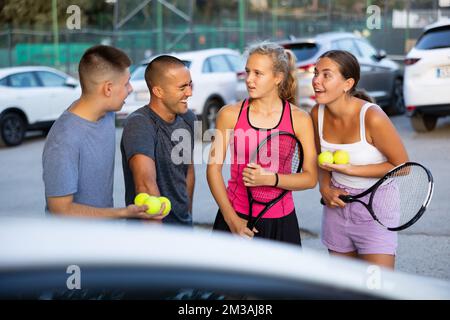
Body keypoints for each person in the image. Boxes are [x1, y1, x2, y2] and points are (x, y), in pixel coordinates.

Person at [207, 42, 317, 245]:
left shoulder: (299, 119)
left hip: (281, 221)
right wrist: (232, 220)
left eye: (258, 73)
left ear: (278, 77)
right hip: (234, 216)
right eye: (248, 71)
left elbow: (310, 179)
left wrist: (270, 179)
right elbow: (213, 170)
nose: (249, 79)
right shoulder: (229, 115)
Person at [311, 50, 409, 269]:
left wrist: (350, 169)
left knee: (376, 287)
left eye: (326, 75)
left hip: (376, 208)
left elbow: (402, 167)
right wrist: (325, 188)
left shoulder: (372, 116)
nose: (316, 80)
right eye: (315, 73)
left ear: (348, 83)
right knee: (345, 287)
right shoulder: (316, 113)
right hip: (336, 207)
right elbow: (321, 161)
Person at [42, 45, 159, 220]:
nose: (131, 89)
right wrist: (124, 212)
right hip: (71, 244)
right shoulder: (64, 140)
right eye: (126, 83)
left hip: (101, 236)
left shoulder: (106, 113)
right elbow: (61, 210)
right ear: (108, 89)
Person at [121, 55, 196, 226]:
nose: (189, 92)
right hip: (151, 234)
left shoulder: (189, 118)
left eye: (190, 84)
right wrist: (158, 241)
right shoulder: (139, 123)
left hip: (182, 229)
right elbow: (145, 185)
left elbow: (188, 172)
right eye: (182, 87)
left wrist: (187, 218)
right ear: (158, 91)